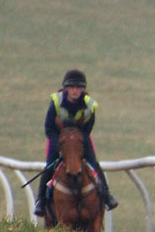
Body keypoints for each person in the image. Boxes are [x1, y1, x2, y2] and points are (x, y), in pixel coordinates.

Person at [33, 69, 118, 216]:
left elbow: (87, 129)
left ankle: (106, 195)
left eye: (78, 88)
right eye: (72, 87)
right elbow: (49, 128)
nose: (75, 91)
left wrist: (78, 146)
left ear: (83, 89)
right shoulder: (56, 102)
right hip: (58, 140)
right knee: (49, 167)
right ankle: (40, 201)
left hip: (81, 139)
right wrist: (59, 147)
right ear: (66, 88)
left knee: (93, 164)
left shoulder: (90, 105)